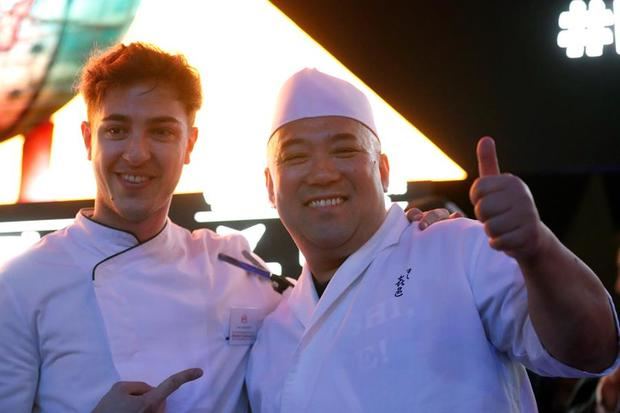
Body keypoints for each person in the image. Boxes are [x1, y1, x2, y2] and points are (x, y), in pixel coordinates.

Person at [0, 43, 449, 413]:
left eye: (161, 132)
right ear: (86, 139)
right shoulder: (23, 286)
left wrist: (406, 239)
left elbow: (337, 305)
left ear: (189, 144)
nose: (136, 154)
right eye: (116, 131)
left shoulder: (233, 266)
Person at [246, 68, 620, 412]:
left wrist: (538, 248)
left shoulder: (457, 248)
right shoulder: (272, 334)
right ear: (269, 187)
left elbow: (592, 349)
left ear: (384, 170)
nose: (323, 173)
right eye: (295, 157)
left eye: (345, 150)